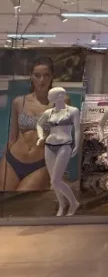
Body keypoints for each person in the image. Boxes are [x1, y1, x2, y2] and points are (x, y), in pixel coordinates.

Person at [0, 57, 54, 191]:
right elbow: (12, 137)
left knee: (21, 200)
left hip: (40, 163)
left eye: (46, 75)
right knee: (4, 199)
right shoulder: (19, 102)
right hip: (13, 160)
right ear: (31, 76)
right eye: (37, 75)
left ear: (52, 76)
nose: (41, 80)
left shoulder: (60, 102)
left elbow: (63, 139)